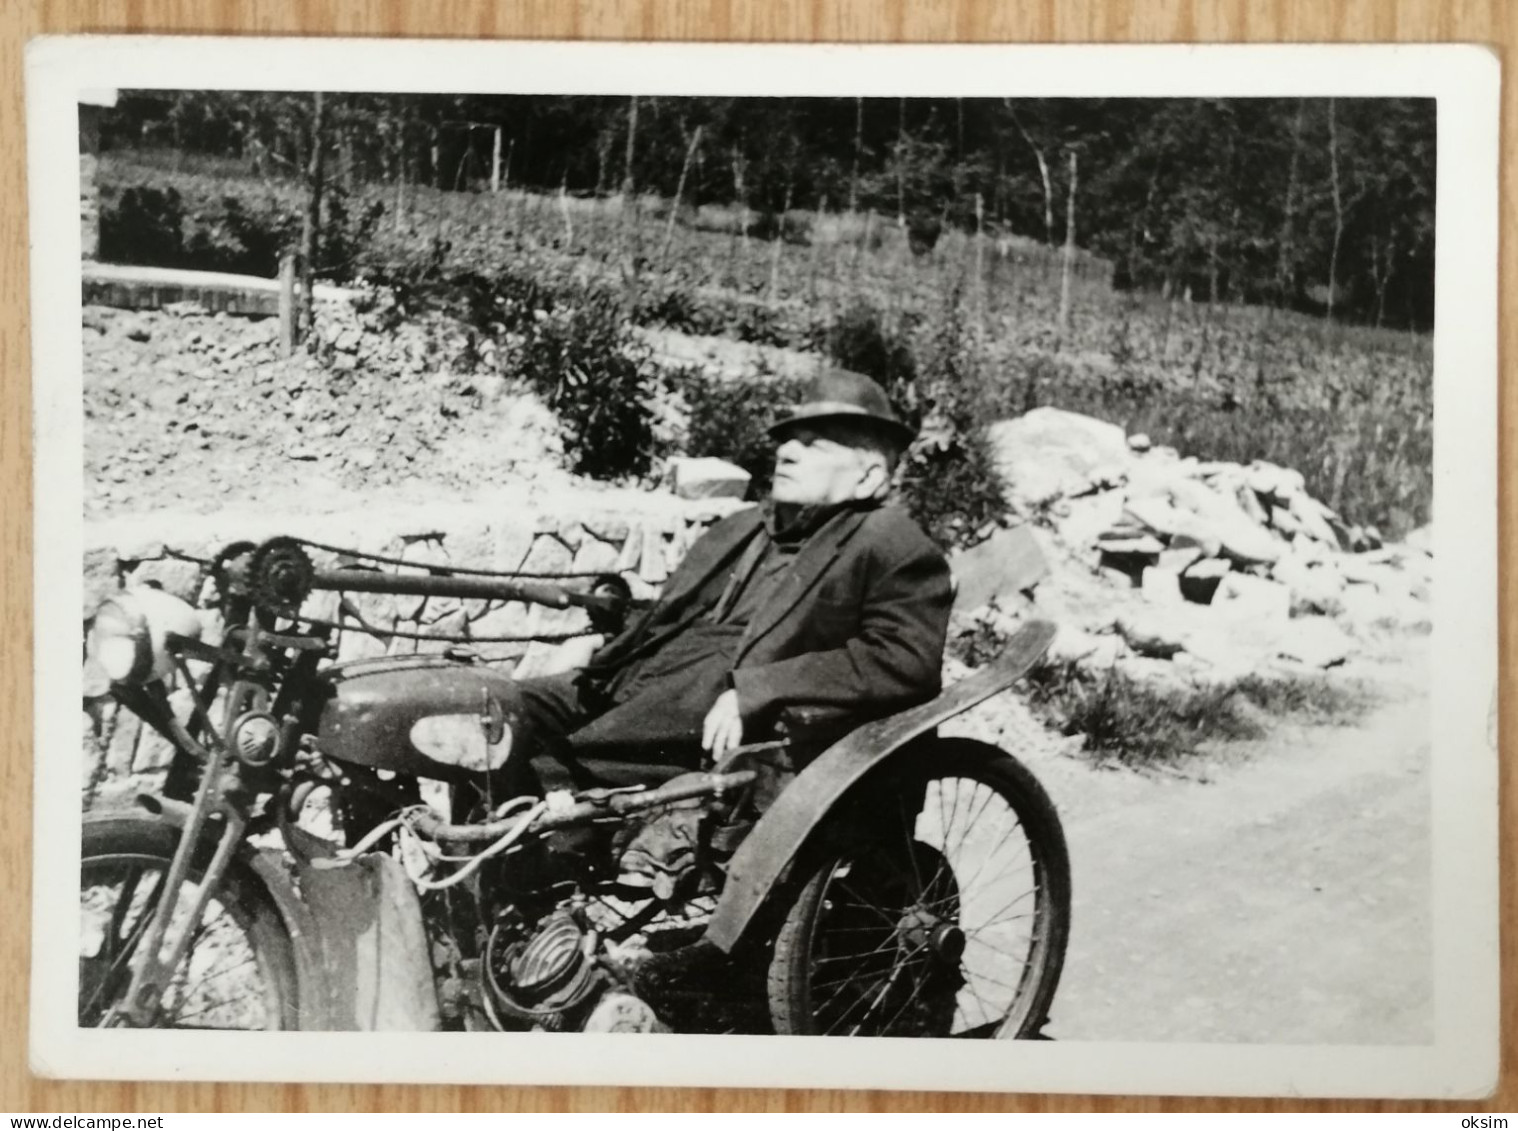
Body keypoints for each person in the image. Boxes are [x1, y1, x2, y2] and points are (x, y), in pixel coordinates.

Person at [508, 367, 954, 792]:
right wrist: (600, 645)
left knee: (550, 766)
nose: (786, 452)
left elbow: (903, 660)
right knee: (502, 711)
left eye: (815, 445)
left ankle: (540, 860)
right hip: (641, 676)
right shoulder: (744, 527)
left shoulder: (888, 540)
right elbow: (677, 616)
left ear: (868, 477)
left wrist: (759, 689)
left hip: (721, 703)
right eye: (789, 440)